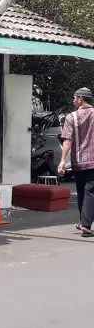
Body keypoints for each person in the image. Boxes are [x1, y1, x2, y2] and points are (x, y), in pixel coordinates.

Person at [59, 87, 94, 236]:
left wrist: (62, 160)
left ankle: (83, 222)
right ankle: (85, 224)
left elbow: (67, 140)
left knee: (81, 191)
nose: (73, 101)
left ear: (81, 99)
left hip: (78, 160)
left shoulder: (70, 117)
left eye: (74, 98)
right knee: (90, 191)